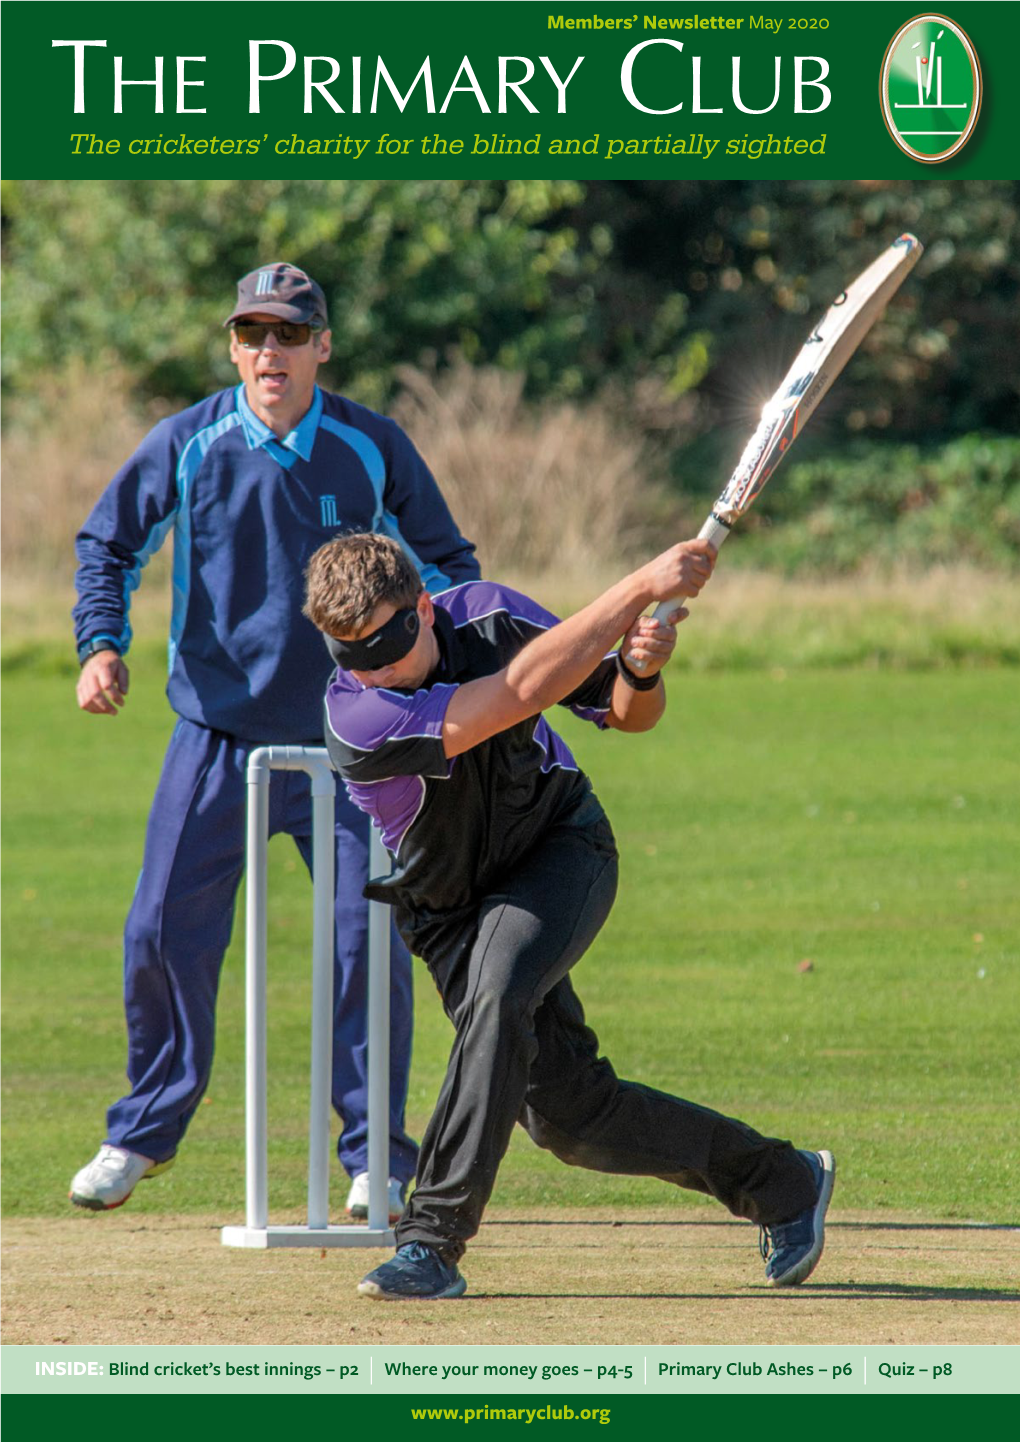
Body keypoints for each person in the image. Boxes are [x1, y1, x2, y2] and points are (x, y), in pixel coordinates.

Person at [303, 531, 836, 1299]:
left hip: (562, 848)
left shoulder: (489, 616)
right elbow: (513, 696)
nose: (372, 669)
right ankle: (784, 1182)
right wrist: (637, 588)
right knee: (572, 1120)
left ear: (423, 607)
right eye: (349, 655)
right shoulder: (356, 716)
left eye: (385, 644)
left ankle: (430, 1242)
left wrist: (640, 672)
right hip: (449, 912)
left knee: (497, 998)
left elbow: (623, 712)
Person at [70, 263, 479, 1219]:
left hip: (354, 741)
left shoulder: (370, 446)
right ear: (233, 348)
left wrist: (432, 671)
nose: (271, 352)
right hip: (216, 734)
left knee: (364, 944)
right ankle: (142, 1133)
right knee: (161, 928)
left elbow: (449, 565)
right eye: (254, 334)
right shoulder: (191, 441)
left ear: (321, 347)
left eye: (290, 335)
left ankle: (375, 1156)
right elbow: (109, 543)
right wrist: (100, 645)